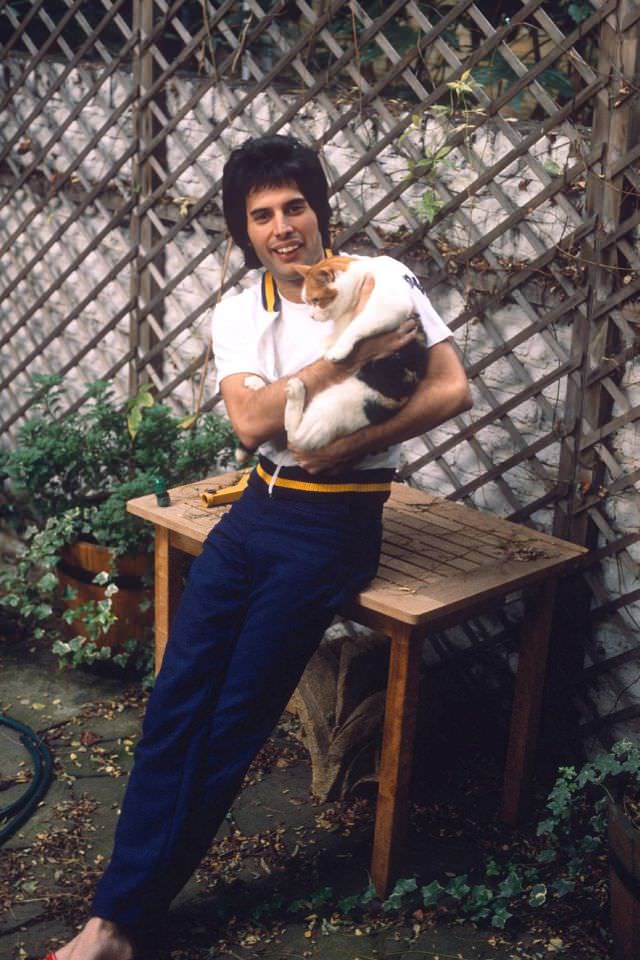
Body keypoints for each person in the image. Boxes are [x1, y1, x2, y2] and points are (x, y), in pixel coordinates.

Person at [43, 135, 472, 960]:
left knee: (232, 719)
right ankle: (113, 916)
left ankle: (120, 924)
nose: (283, 227)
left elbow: (451, 386)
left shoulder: (381, 277)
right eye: (262, 215)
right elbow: (248, 424)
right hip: (254, 513)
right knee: (175, 702)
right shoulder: (239, 311)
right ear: (246, 233)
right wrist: (337, 360)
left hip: (333, 522)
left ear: (319, 209)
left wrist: (336, 446)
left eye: (295, 206)